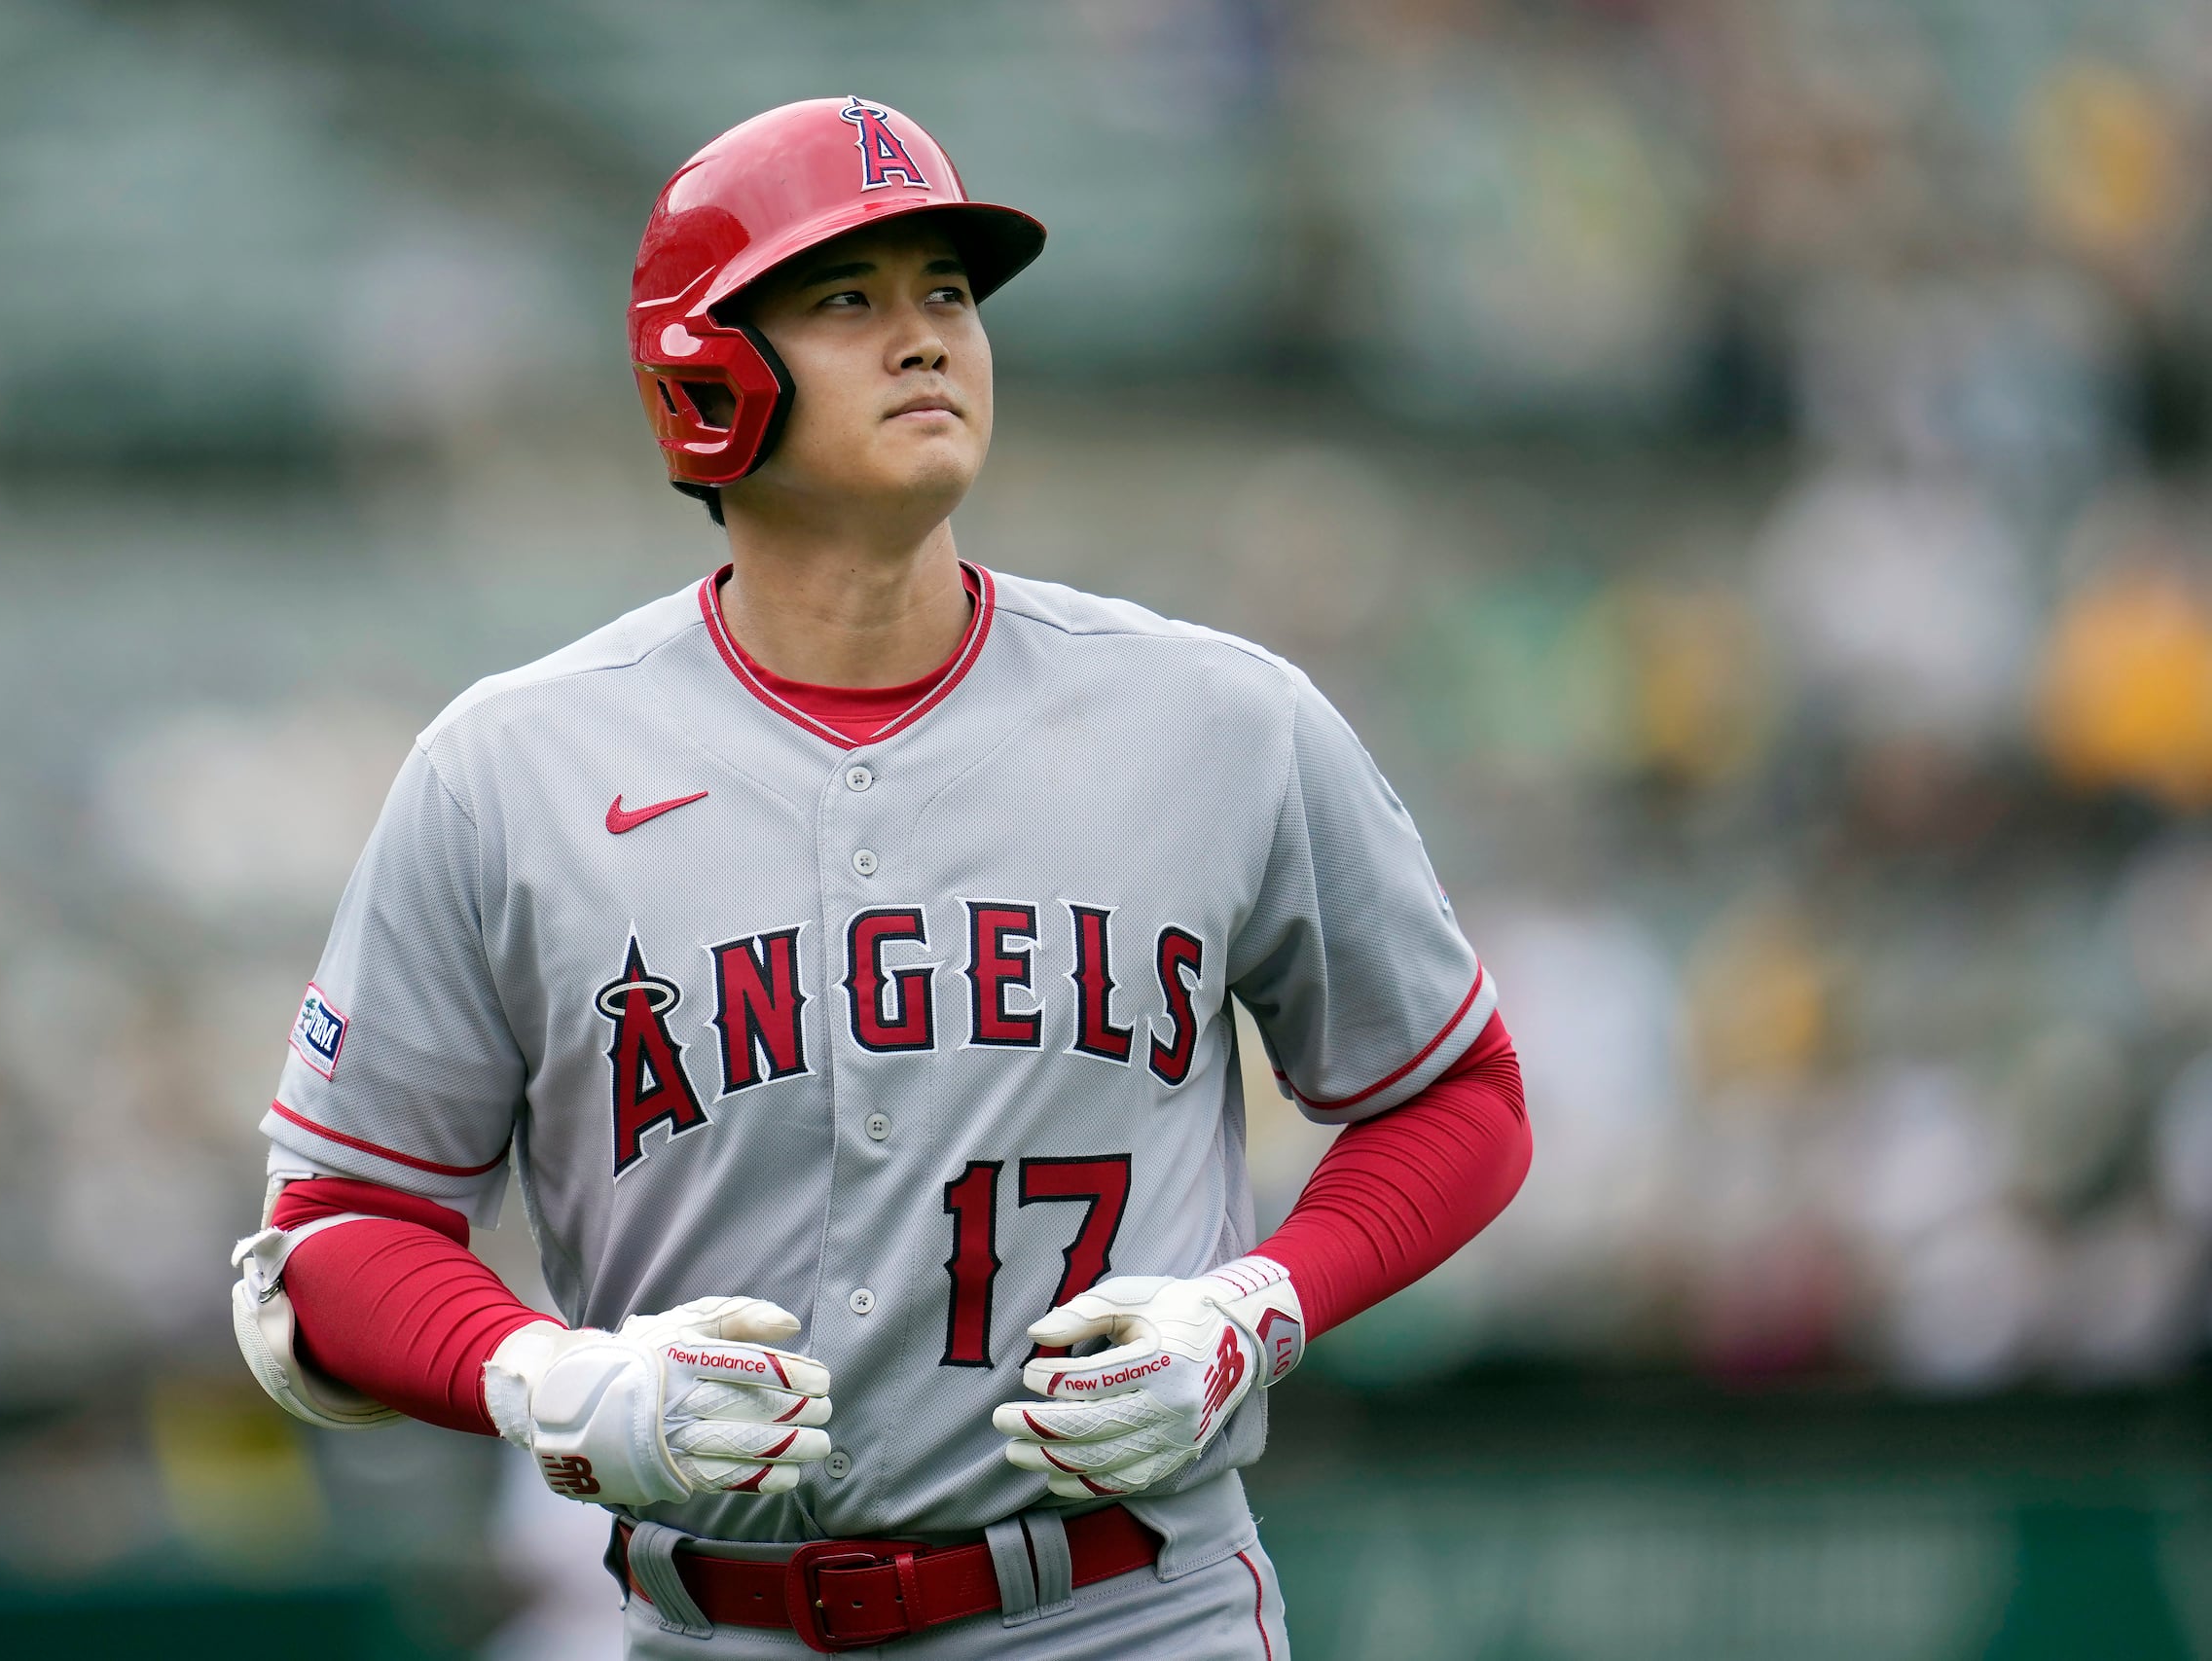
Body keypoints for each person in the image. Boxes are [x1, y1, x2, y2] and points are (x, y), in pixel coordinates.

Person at [232, 96, 1531, 1658]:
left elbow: (1461, 1096)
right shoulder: (509, 768)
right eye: (849, 299)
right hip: (716, 1626)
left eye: (950, 295)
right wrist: (551, 1381)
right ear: (705, 373)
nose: (926, 339)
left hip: (1130, 1611)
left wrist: (1260, 1307)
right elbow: (333, 1238)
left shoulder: (1220, 717)